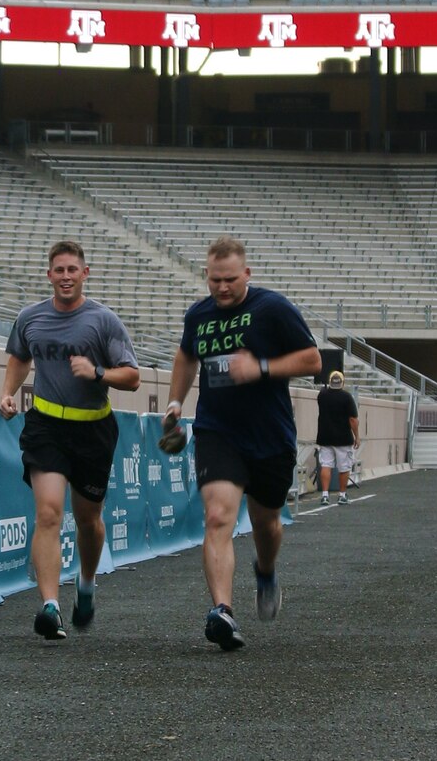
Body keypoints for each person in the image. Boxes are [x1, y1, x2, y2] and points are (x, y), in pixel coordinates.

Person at [165, 235, 322, 651]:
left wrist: (262, 366)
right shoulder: (198, 315)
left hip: (270, 436)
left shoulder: (273, 308)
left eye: (230, 279)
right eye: (215, 280)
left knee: (266, 524)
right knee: (217, 516)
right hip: (218, 432)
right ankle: (222, 612)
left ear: (246, 274)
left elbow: (313, 359)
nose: (222, 288)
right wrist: (176, 402)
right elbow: (186, 356)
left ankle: (265, 571)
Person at [0, 240, 141, 640]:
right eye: (58, 270)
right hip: (46, 426)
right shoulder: (31, 317)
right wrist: (8, 392)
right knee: (47, 513)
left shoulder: (103, 321)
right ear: (49, 275)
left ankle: (86, 583)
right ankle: (50, 606)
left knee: (88, 520)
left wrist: (97, 372)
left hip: (93, 428)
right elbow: (18, 356)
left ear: (85, 274)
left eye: (72, 270)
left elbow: (132, 377)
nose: (65, 277)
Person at [316, 370, 360, 506]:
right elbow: (353, 419)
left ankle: (324, 495)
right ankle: (342, 494)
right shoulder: (346, 397)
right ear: (342, 382)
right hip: (343, 437)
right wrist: (357, 436)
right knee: (344, 467)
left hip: (325, 435)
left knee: (326, 465)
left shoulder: (322, 395)